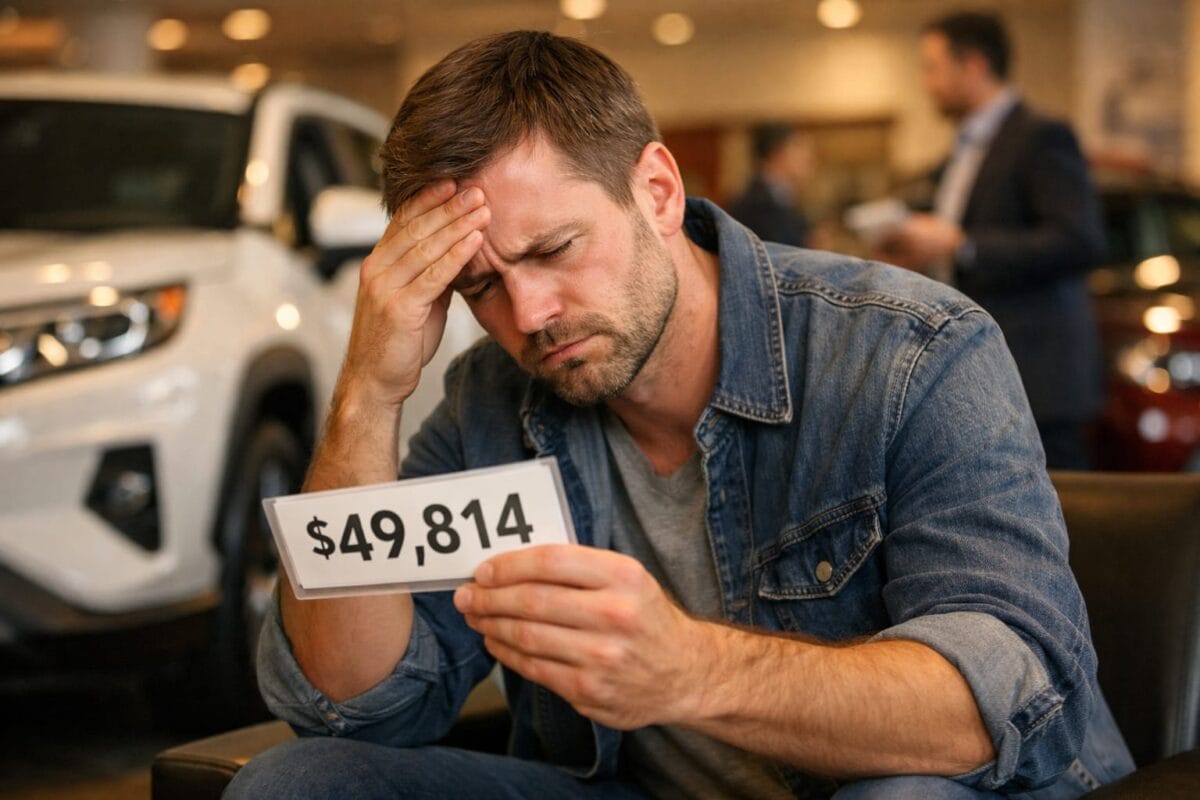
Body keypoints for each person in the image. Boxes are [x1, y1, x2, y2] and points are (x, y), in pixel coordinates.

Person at [227, 30, 1133, 800]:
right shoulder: (491, 405)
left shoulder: (910, 351)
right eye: (480, 287)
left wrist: (690, 671)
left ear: (656, 190)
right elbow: (355, 697)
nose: (529, 315)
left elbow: (1007, 693)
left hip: (889, 785)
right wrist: (366, 393)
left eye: (554, 249)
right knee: (296, 782)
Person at [878, 11, 1106, 471]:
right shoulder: (963, 150)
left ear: (975, 66)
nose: (926, 82)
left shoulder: (1041, 137)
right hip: (986, 370)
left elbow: (1080, 240)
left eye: (932, 67)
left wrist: (962, 245)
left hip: (1039, 376)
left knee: (1059, 525)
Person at [727, 123, 814, 247]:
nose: (807, 157)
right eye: (798, 148)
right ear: (778, 152)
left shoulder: (784, 198)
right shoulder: (754, 204)